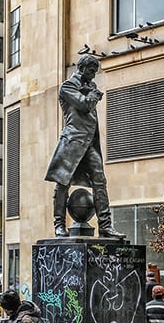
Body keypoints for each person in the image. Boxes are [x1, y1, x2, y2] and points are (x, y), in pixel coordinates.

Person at [44, 54, 124, 239]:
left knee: (100, 181)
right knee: (63, 182)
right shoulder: (68, 86)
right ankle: (59, 225)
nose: (93, 75)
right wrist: (94, 95)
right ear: (81, 68)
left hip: (89, 143)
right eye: (91, 71)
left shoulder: (91, 87)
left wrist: (93, 92)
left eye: (95, 72)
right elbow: (84, 104)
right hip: (72, 141)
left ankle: (105, 226)